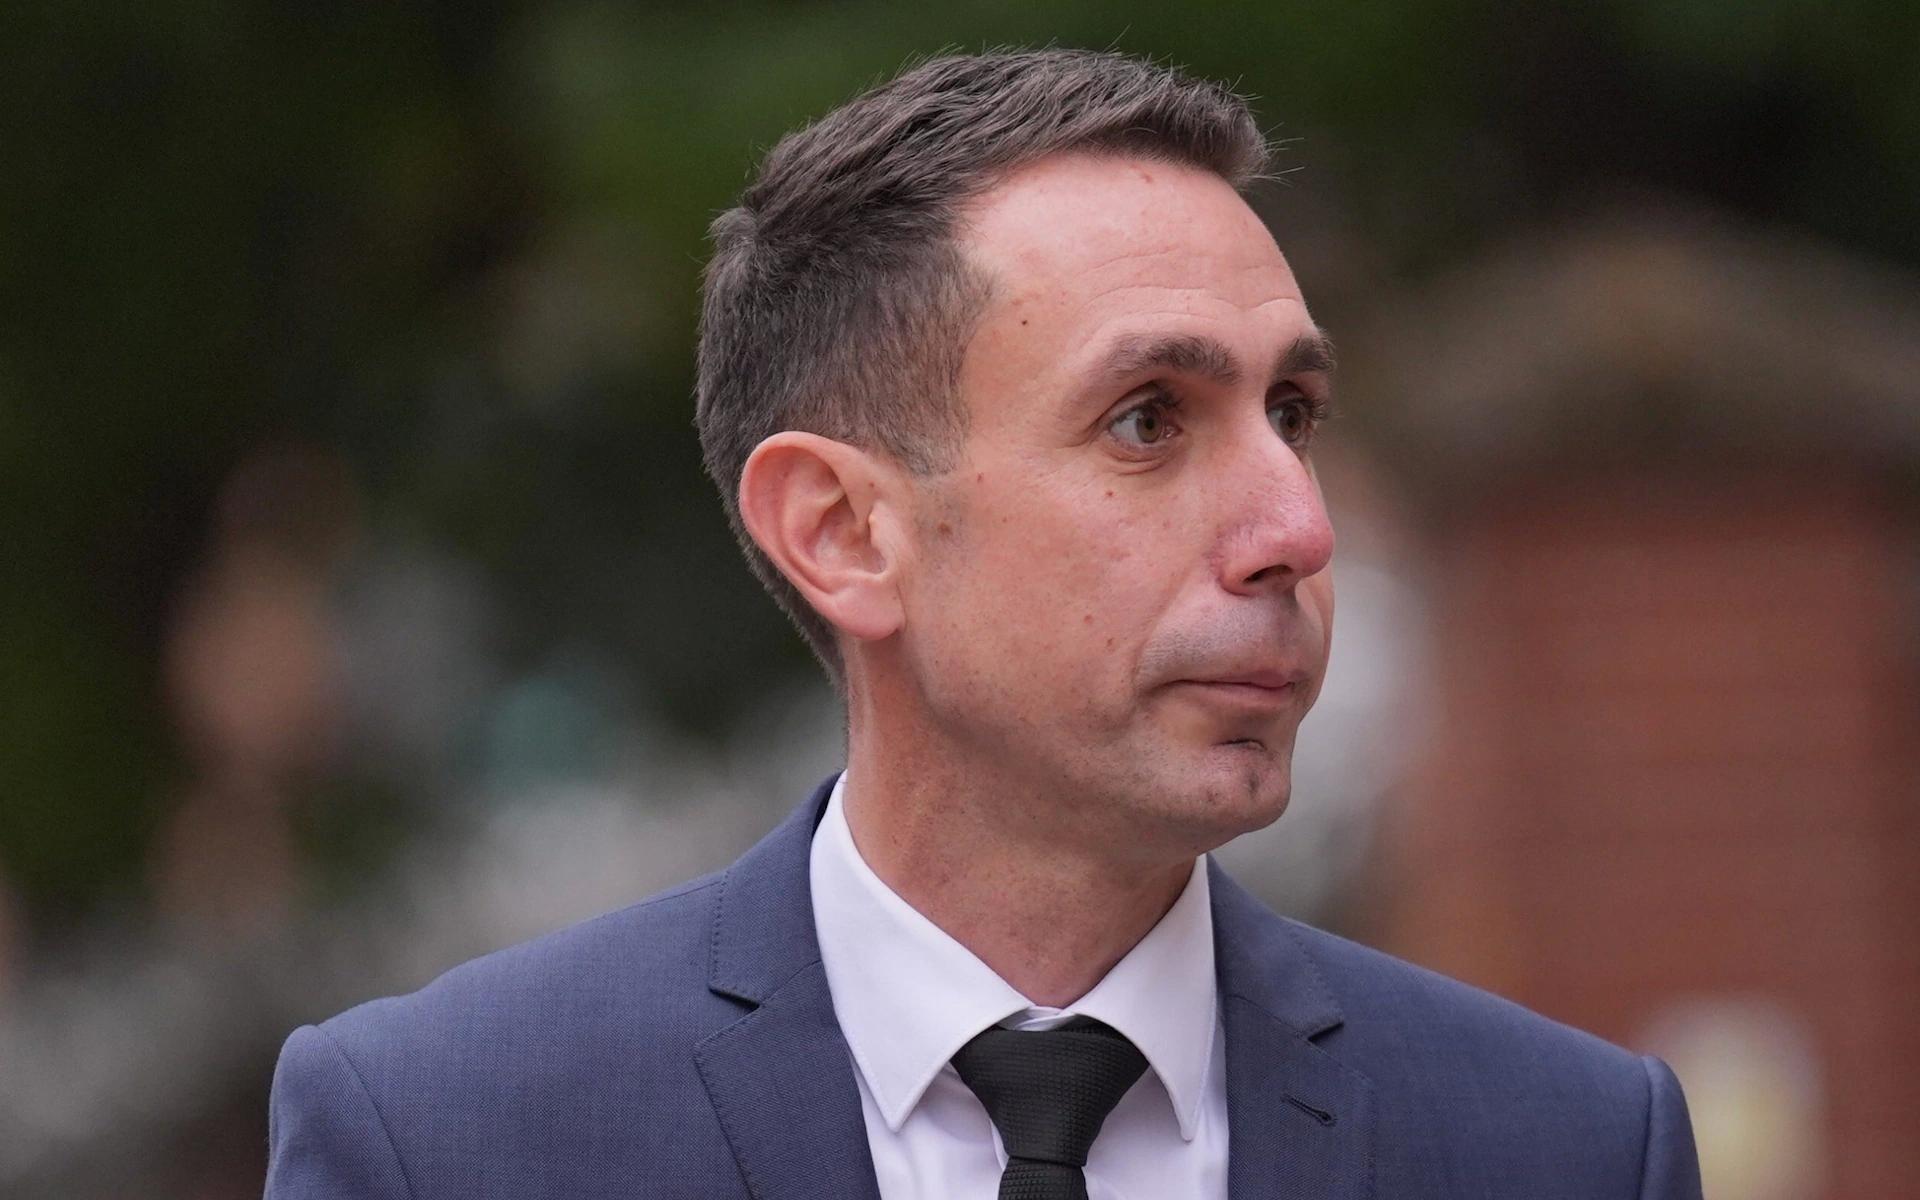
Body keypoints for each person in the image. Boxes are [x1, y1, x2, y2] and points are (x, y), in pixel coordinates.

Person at [264, 48, 1703, 1199]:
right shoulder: (446, 1139)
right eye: (1149, 421)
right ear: (842, 532)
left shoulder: (1564, 1148)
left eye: (1294, 413)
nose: (1299, 529)